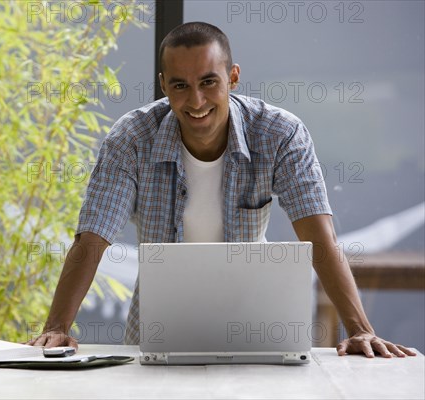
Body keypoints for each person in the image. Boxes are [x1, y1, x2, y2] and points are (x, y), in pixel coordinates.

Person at [29, 22, 416, 358]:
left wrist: (360, 328)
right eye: (180, 85)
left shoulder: (280, 134)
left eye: (208, 82)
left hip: (256, 327)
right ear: (163, 85)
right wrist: (57, 326)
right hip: (157, 330)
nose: (195, 100)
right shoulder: (131, 139)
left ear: (232, 77)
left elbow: (320, 238)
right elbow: (92, 239)